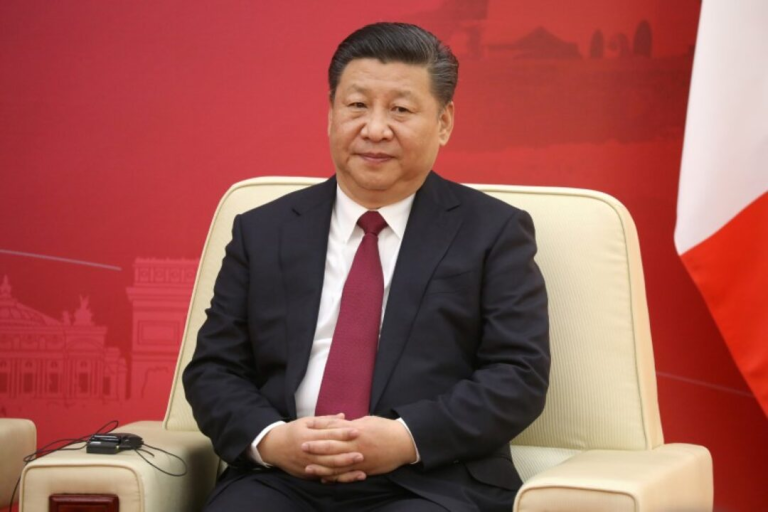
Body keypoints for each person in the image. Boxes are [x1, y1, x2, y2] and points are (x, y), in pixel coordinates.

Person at [183, 22, 550, 512]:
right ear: (331, 113)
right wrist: (271, 440)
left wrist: (404, 438)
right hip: (282, 479)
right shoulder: (263, 231)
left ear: (443, 122)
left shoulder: (494, 232)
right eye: (357, 105)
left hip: (430, 481)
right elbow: (214, 369)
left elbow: (518, 376)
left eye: (400, 110)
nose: (375, 130)